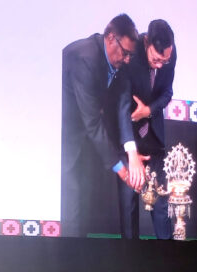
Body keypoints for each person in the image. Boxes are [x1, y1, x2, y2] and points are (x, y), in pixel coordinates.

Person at [61, 14, 146, 237]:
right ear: (110, 38)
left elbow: (121, 106)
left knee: (83, 212)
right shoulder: (85, 58)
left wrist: (131, 153)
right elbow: (92, 122)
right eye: (125, 53)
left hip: (87, 142)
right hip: (65, 140)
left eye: (130, 55)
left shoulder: (120, 62)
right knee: (72, 212)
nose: (127, 59)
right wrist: (123, 171)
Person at [120, 19, 176, 239]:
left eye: (165, 60)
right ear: (146, 43)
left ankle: (167, 254)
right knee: (129, 205)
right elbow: (122, 104)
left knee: (162, 205)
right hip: (129, 137)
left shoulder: (169, 54)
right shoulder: (130, 55)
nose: (161, 65)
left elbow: (167, 92)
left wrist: (148, 111)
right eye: (156, 59)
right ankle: (129, 255)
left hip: (154, 137)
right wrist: (131, 152)